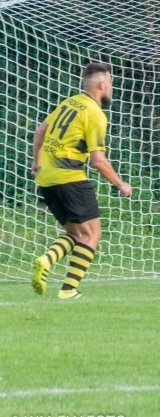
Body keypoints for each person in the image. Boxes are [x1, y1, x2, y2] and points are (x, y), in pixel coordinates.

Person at [31, 62, 132, 299]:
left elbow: (40, 131)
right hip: (70, 177)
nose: (111, 88)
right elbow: (98, 160)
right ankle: (68, 290)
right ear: (101, 84)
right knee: (92, 234)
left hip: (47, 178)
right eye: (110, 83)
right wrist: (121, 184)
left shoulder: (69, 102)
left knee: (77, 234)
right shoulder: (95, 114)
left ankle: (47, 260)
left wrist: (36, 161)